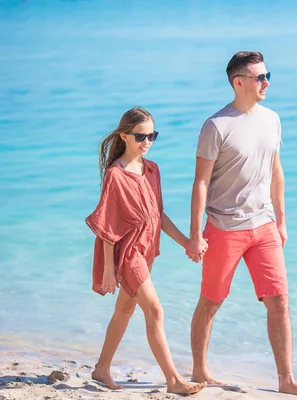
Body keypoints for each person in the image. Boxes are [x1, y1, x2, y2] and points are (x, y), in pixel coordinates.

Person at [186, 51, 297, 398]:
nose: (266, 83)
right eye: (259, 77)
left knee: (280, 302)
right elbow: (200, 182)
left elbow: (276, 172)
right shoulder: (216, 126)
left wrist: (282, 221)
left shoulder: (272, 119)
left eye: (267, 75)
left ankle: (286, 379)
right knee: (212, 301)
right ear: (238, 82)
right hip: (224, 227)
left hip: (264, 227)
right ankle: (200, 369)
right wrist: (195, 234)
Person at [85, 107, 206, 395]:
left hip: (147, 251)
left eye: (152, 135)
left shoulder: (152, 169)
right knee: (155, 310)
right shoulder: (115, 175)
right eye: (140, 136)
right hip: (127, 255)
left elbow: (159, 215)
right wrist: (109, 271)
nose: (147, 141)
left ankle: (102, 369)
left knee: (125, 310)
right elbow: (107, 227)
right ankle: (174, 380)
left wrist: (188, 242)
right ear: (124, 136)